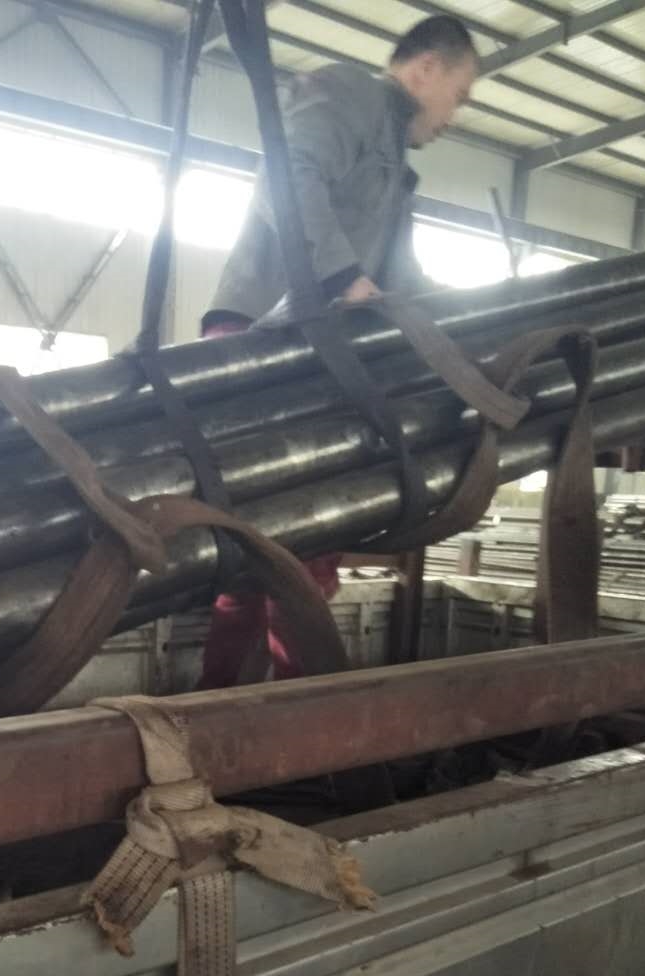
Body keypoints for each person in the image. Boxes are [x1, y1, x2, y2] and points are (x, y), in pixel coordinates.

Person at [198, 14, 479, 688]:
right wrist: (341, 278)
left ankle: (225, 701)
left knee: (289, 541)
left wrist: (477, 322)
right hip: (265, 338)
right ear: (426, 70)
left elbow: (401, 282)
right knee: (288, 539)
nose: (455, 115)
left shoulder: (395, 171)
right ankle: (296, 709)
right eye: (461, 94)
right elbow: (287, 177)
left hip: (316, 350)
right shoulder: (350, 94)